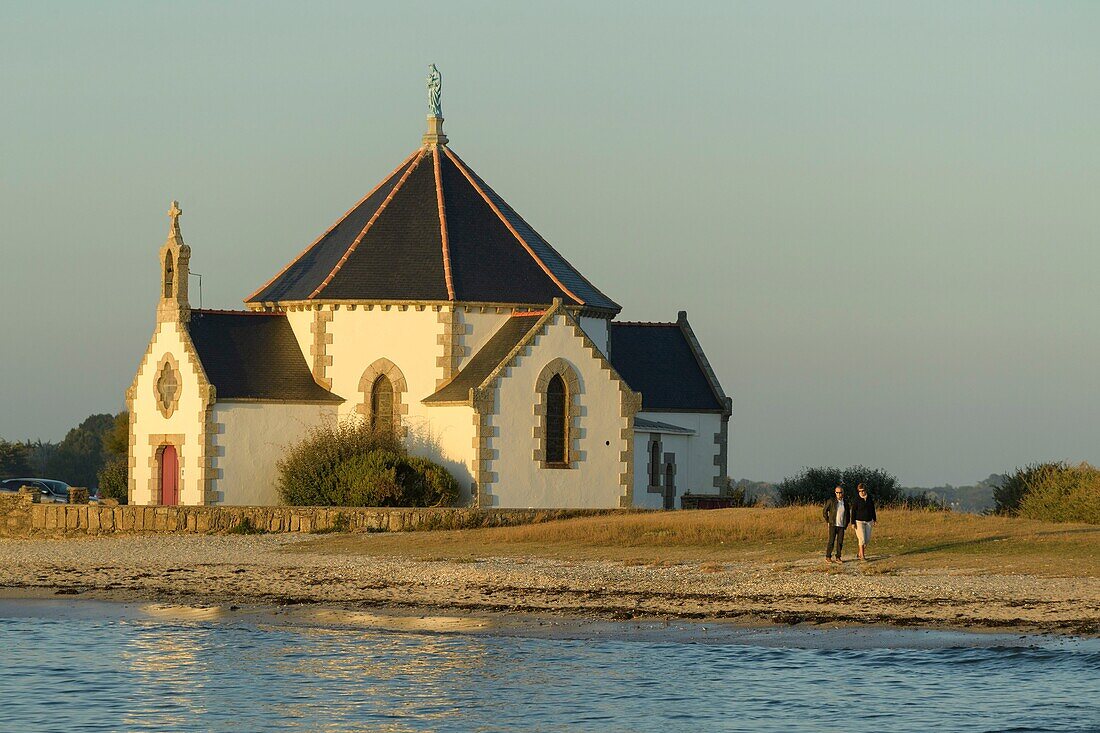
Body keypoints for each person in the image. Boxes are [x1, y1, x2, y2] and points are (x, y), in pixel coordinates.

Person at [822, 485, 850, 563]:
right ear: (835, 493)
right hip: (833, 524)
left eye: (840, 492)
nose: (838, 494)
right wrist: (828, 521)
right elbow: (824, 511)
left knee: (840, 542)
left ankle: (838, 557)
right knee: (831, 541)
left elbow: (848, 515)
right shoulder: (831, 501)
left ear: (843, 493)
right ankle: (828, 556)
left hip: (841, 525)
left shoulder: (845, 502)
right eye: (837, 492)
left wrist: (846, 524)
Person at [851, 482, 877, 561]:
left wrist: (874, 519)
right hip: (859, 521)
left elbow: (872, 509)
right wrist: (852, 523)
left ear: (866, 490)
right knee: (861, 539)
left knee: (867, 540)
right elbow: (853, 511)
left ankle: (859, 553)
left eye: (863, 490)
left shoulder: (869, 498)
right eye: (860, 491)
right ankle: (862, 556)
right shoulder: (856, 499)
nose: (862, 492)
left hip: (868, 521)